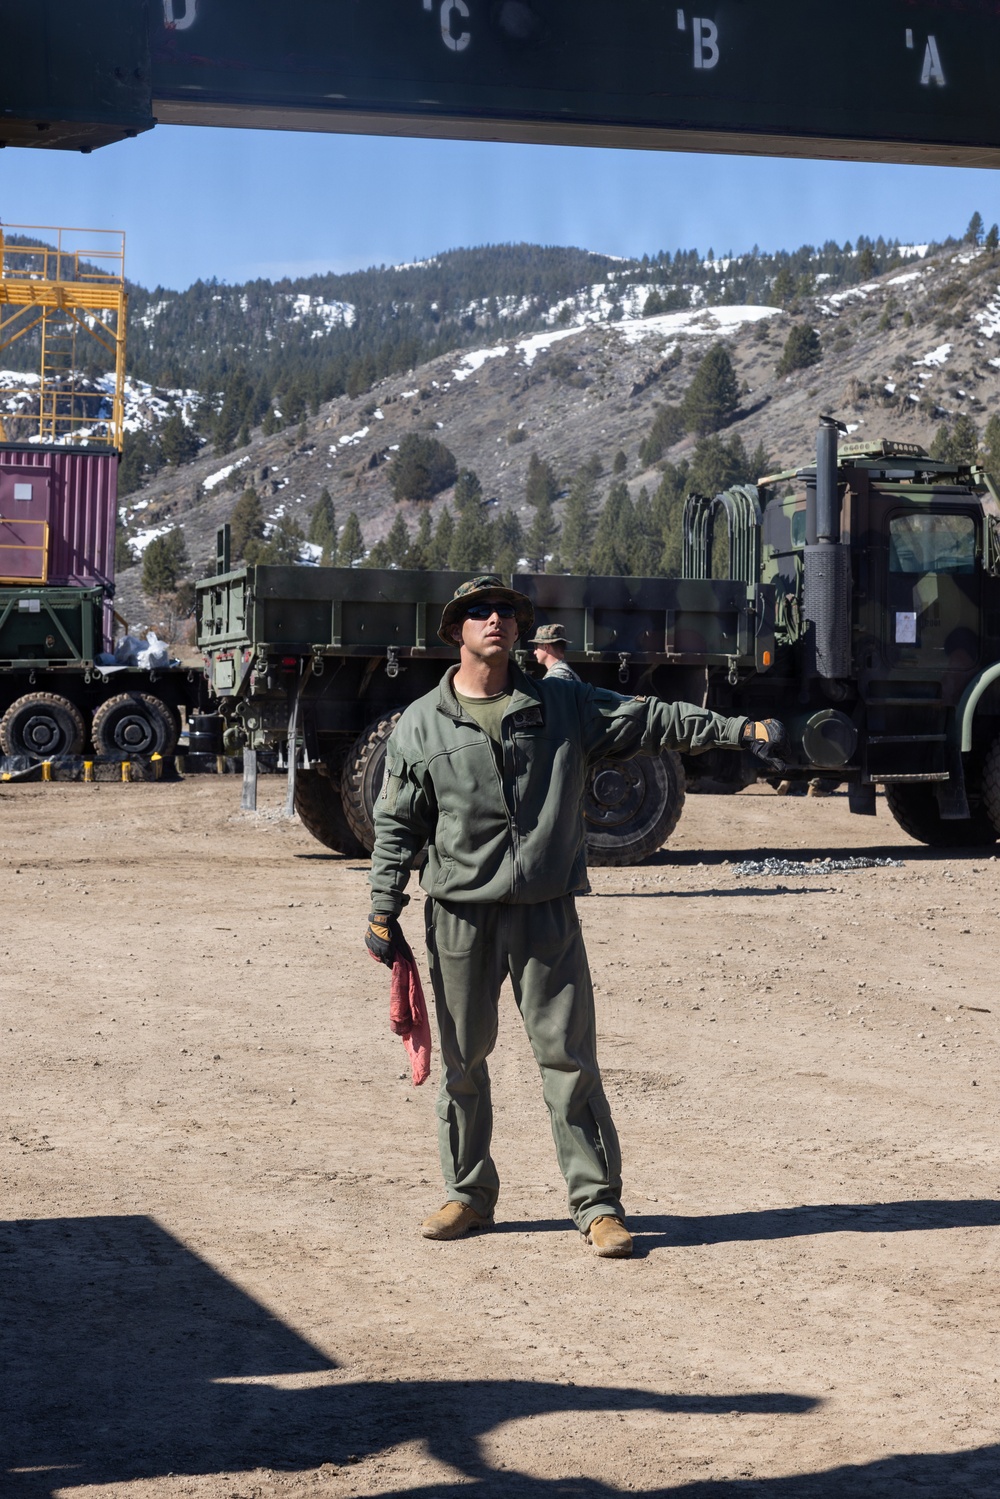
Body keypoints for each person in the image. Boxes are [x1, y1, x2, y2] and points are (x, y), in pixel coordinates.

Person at [365, 575, 786, 1258]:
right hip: (460, 917)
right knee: (463, 1064)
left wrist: (737, 729)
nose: (497, 619)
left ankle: (597, 1206)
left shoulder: (562, 704)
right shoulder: (421, 723)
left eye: (507, 610)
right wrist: (383, 908)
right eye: (480, 610)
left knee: (569, 1062)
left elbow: (651, 719)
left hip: (545, 915)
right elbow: (396, 825)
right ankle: (467, 1194)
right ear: (455, 630)